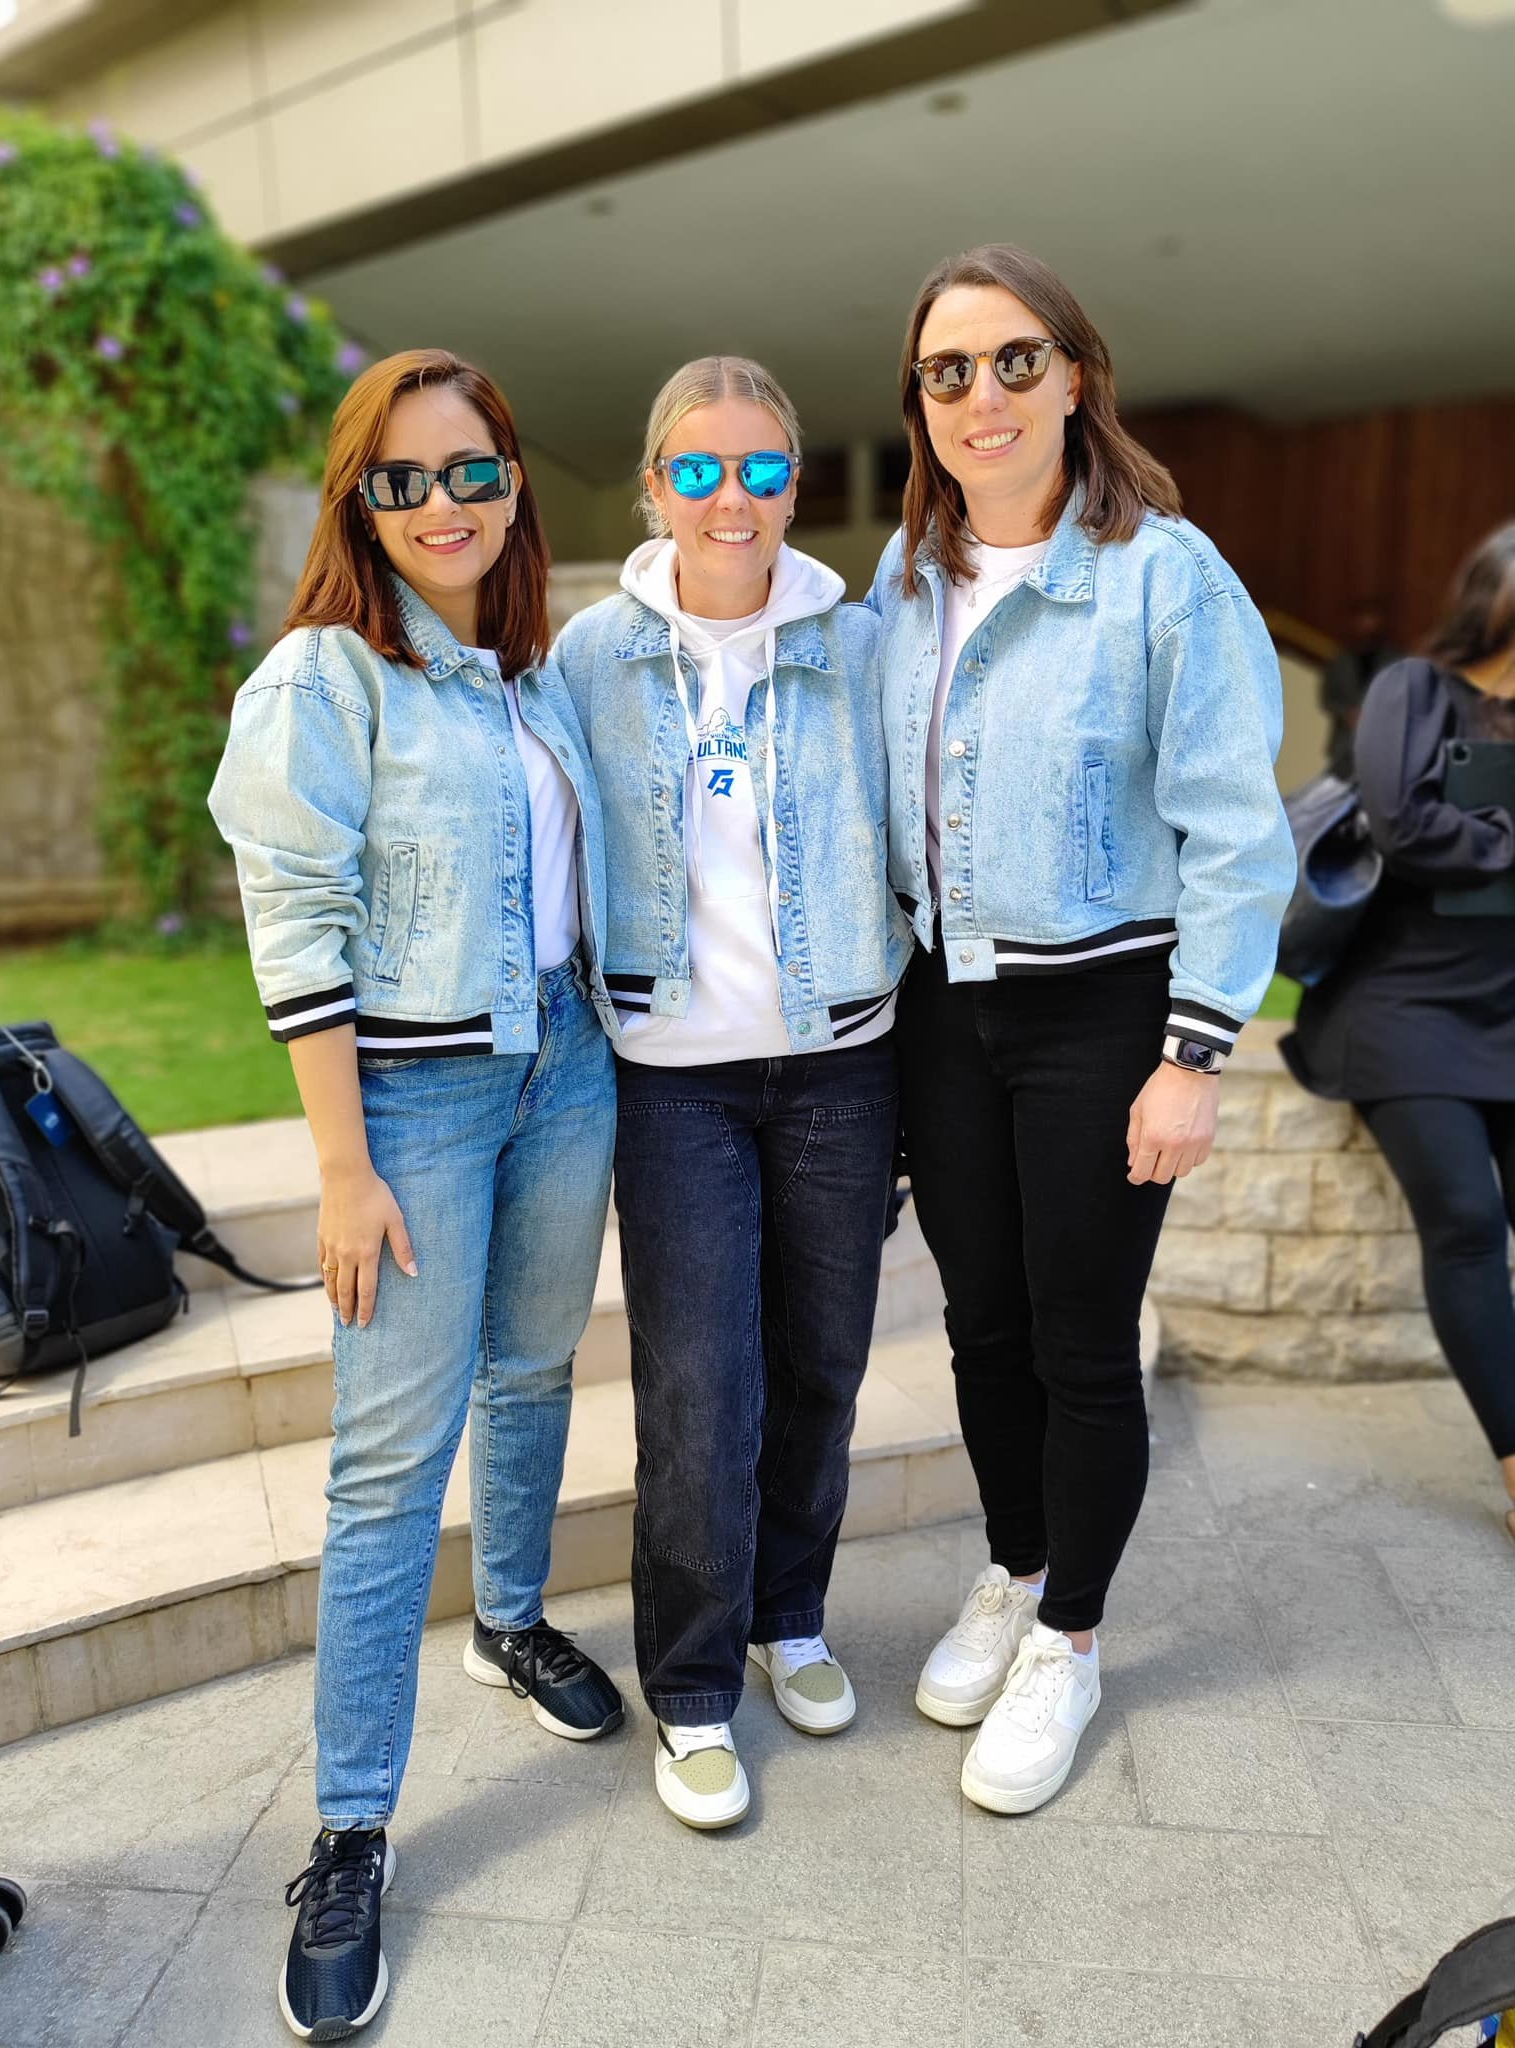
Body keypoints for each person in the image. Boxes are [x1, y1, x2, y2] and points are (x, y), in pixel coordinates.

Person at [209, 349, 622, 2040]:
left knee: (534, 1376)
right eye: (403, 478)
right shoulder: (328, 678)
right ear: (359, 503)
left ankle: (511, 1620)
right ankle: (353, 1825)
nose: (442, 503)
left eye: (472, 471)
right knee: (389, 1465)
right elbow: (295, 931)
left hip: (564, 1071)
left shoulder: (524, 679)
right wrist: (342, 1168)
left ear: (514, 485)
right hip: (416, 1103)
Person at [869, 245, 1294, 1814]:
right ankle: (1014, 1564)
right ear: (919, 404)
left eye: (1014, 361)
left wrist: (1191, 1056)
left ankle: (1071, 1635)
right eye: (947, 372)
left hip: (1102, 1009)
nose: (983, 396)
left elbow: (1236, 832)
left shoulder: (1164, 573)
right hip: (943, 1007)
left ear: (1077, 375)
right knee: (979, 1325)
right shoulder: (901, 586)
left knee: (1077, 1338)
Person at [553, 356, 909, 1830]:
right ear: (653, 489)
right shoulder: (589, 656)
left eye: (763, 471)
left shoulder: (859, 644)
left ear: (793, 487)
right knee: (700, 1386)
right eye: (699, 471)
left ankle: (790, 1615)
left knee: (823, 1359)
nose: (733, 500)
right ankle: (694, 1688)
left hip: (841, 1057)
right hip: (673, 1078)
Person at [1285, 524, 1515, 1543]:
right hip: (1407, 1011)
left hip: (1510, 1006)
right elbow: (1405, 819)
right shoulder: (1417, 690)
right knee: (1466, 1217)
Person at [1321, 597, 1402, 780]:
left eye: (1372, 618)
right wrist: (1347, 713)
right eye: (1363, 618)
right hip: (1344, 745)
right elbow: (1328, 698)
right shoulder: (1340, 659)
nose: (1367, 624)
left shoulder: (1394, 660)